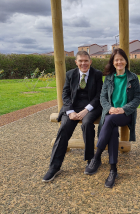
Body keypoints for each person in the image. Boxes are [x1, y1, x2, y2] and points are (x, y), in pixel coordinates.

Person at [84, 48, 140, 188]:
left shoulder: (133, 77)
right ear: (113, 62)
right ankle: (113, 170)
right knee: (112, 131)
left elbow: (137, 97)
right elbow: (103, 97)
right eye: (116, 60)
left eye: (121, 59)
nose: (119, 62)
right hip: (110, 112)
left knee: (109, 121)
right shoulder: (109, 78)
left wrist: (123, 109)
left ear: (126, 61)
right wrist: (109, 108)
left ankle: (97, 157)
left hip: (125, 114)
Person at [42, 51, 103, 182]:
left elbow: (99, 95)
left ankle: (91, 160)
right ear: (76, 62)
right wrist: (70, 112)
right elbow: (65, 94)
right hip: (72, 108)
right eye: (80, 61)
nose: (83, 63)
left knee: (87, 124)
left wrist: (86, 110)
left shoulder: (97, 74)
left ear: (90, 61)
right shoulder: (70, 74)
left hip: (91, 107)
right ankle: (54, 167)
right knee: (64, 128)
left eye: (86, 60)